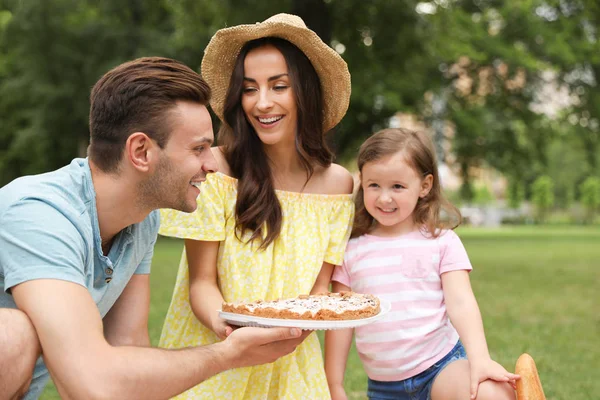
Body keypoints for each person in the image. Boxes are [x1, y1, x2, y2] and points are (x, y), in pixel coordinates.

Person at [0, 56, 310, 400]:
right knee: (12, 334)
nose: (211, 164)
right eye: (198, 148)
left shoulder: (142, 219)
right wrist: (230, 353)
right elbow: (91, 384)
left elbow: (128, 346)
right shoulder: (38, 213)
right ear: (141, 151)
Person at [157, 13, 354, 399]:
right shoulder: (214, 170)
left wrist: (295, 329)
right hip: (215, 357)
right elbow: (201, 282)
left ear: (306, 91)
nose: (262, 103)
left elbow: (319, 288)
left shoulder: (338, 185)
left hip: (291, 364)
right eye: (249, 89)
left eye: (279, 86)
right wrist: (230, 333)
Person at [324, 128, 520, 400]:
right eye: (374, 185)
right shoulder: (351, 251)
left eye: (397, 186)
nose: (384, 197)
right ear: (362, 182)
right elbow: (342, 323)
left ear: (425, 186)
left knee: (492, 394)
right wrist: (334, 384)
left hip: (441, 368)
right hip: (385, 387)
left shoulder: (442, 242)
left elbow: (461, 303)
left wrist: (481, 359)